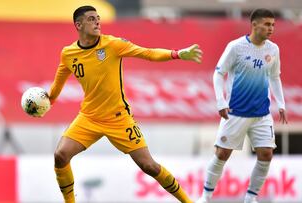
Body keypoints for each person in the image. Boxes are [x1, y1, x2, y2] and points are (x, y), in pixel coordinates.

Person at [48, 5, 202, 203]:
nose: (97, 22)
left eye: (98, 18)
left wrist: (177, 54)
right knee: (60, 155)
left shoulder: (112, 44)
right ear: (78, 25)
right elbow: (58, 81)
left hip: (119, 119)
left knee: (149, 166)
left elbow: (147, 53)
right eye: (92, 19)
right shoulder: (68, 54)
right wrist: (49, 100)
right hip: (89, 117)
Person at [196, 8, 288, 203]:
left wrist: (281, 103)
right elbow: (218, 74)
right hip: (235, 112)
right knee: (222, 153)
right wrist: (221, 101)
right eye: (267, 24)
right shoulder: (236, 47)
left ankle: (250, 198)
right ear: (254, 25)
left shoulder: (273, 49)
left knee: (266, 154)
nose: (271, 28)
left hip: (262, 113)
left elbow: (274, 76)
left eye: (273, 25)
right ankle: (205, 196)